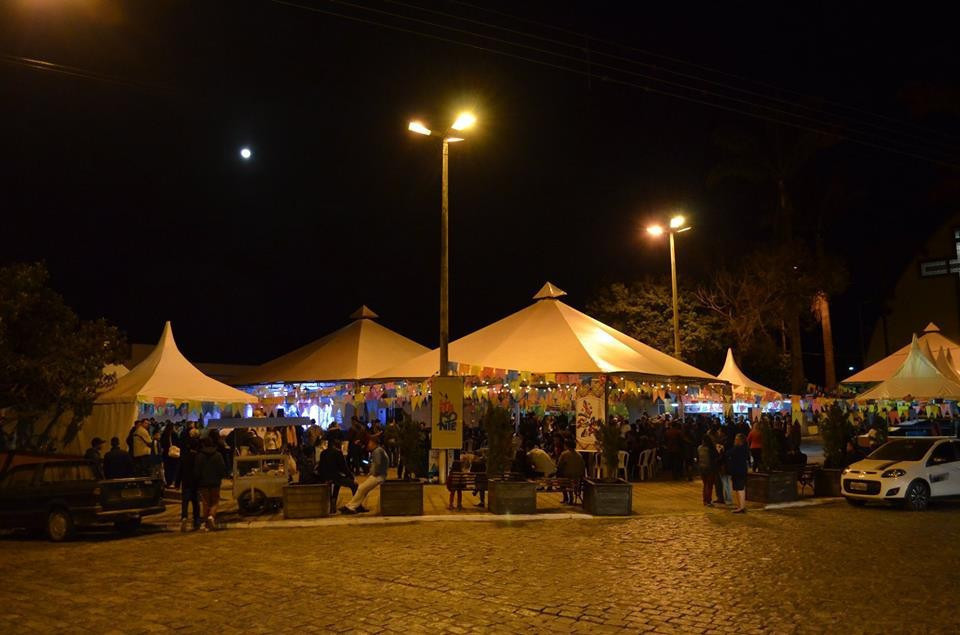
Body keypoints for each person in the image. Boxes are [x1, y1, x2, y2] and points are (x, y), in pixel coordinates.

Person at [340, 434, 387, 514]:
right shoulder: (379, 450)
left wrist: (373, 473)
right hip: (379, 475)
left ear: (373, 443)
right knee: (363, 490)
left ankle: (350, 506)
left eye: (369, 443)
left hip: (378, 476)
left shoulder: (377, 451)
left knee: (361, 489)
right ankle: (351, 506)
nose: (368, 445)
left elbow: (378, 464)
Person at [195, 435, 227, 530]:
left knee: (205, 503)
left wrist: (197, 480)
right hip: (215, 482)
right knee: (215, 501)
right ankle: (211, 516)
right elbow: (222, 468)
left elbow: (197, 470)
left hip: (203, 483)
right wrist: (222, 476)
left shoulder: (199, 456)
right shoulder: (218, 455)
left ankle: (206, 524)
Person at [318, 439, 358, 514]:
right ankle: (356, 505)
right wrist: (352, 477)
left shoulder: (323, 453)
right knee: (354, 485)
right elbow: (344, 468)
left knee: (337, 484)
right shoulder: (338, 453)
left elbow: (320, 467)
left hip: (325, 477)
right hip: (335, 477)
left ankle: (333, 506)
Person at [179, 430, 202, 532]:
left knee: (185, 501)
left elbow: (180, 469)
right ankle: (196, 520)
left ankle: (184, 516)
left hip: (186, 481)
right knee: (195, 502)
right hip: (195, 481)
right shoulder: (198, 457)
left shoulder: (184, 457)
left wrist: (177, 483)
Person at [556, 438, 586, 504]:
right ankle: (570, 498)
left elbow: (559, 465)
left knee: (561, 481)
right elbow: (583, 466)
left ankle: (566, 497)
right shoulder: (579, 455)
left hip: (567, 476)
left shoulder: (564, 454)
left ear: (567, 446)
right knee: (570, 481)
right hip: (577, 477)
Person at [728, 433, 750, 513]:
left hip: (737, 470)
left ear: (739, 440)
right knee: (741, 488)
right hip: (743, 469)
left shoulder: (737, 448)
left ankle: (741, 507)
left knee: (739, 488)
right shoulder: (745, 448)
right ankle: (741, 505)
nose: (734, 440)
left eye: (736, 439)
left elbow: (728, 454)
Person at [697, 436, 719, 507]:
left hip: (702, 468)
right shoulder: (711, 449)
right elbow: (716, 456)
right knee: (709, 485)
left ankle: (705, 500)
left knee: (705, 485)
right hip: (710, 468)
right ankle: (708, 501)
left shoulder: (699, 448)